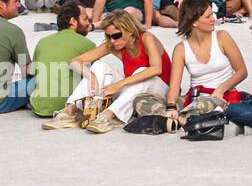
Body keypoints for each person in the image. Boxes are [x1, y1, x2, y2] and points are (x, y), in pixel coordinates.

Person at [43, 10, 172, 132]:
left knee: (142, 71)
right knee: (99, 65)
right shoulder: (115, 45)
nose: (112, 40)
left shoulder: (146, 38)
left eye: (116, 36)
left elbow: (156, 68)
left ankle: (108, 116)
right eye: (109, 36)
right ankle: (70, 111)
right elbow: (75, 61)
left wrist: (118, 85)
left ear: (130, 31)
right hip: (134, 91)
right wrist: (91, 76)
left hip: (160, 90)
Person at [164, 0, 248, 127]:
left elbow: (242, 72)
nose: (213, 19)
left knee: (203, 104)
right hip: (194, 97)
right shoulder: (181, 48)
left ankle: (181, 119)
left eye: (212, 14)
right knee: (142, 100)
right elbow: (174, 87)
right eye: (208, 16)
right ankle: (181, 117)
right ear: (194, 22)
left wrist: (220, 89)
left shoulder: (222, 37)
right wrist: (171, 106)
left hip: (221, 96)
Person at [26, 3, 95, 117]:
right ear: (73, 21)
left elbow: (32, 73)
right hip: (69, 107)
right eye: (85, 19)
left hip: (39, 108)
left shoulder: (43, 42)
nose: (88, 23)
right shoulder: (88, 44)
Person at [0, 0, 31, 113]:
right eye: (16, 1)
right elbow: (27, 70)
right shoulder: (13, 31)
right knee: (39, 81)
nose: (19, 5)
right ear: (2, 4)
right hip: (2, 100)